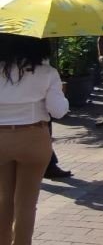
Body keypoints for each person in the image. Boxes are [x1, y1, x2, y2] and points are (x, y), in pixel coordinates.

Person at [0, 34, 69, 245]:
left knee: (3, 200)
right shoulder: (47, 73)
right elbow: (58, 111)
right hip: (33, 137)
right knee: (27, 204)